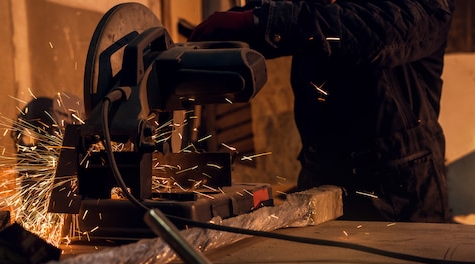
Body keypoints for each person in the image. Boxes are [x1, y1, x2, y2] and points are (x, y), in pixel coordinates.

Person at [189, 0, 455, 223]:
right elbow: (301, 17)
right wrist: (237, 27)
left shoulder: (425, 6)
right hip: (322, 178)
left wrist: (259, 20)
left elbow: (369, 31)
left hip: (399, 196)